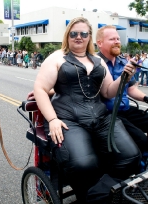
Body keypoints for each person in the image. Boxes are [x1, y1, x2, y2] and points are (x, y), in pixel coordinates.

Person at [33, 17, 140, 203]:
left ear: (89, 36)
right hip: (69, 120)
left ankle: (99, 194)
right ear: (68, 35)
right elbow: (40, 89)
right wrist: (52, 120)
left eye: (84, 33)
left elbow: (107, 91)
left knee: (131, 156)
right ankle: (93, 196)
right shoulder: (56, 58)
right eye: (74, 33)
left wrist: (123, 77)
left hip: (100, 118)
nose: (79, 37)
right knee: (84, 164)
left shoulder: (98, 60)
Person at [96, 25, 148, 153]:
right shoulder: (94, 64)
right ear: (100, 43)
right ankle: (139, 165)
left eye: (118, 39)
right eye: (112, 39)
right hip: (108, 115)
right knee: (142, 140)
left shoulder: (124, 62)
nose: (117, 41)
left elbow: (131, 89)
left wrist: (146, 98)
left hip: (126, 109)